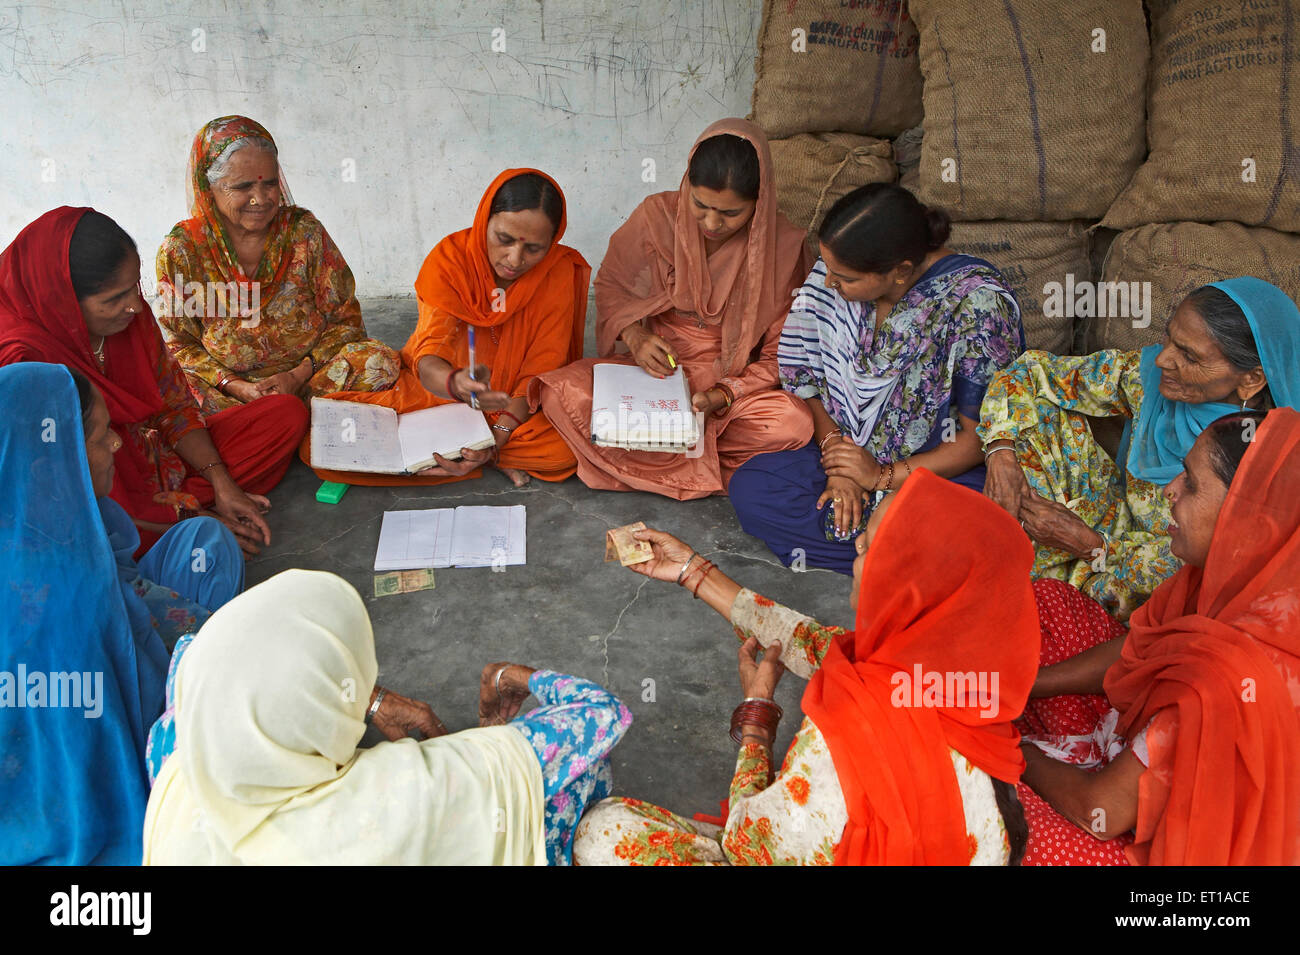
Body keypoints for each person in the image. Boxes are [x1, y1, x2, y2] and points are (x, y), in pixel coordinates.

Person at [572, 469, 1039, 865]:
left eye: (869, 549)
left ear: (908, 588)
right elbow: (815, 644)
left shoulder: (840, 745)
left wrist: (756, 716)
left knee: (603, 832)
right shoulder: (971, 687)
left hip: (784, 840)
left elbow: (744, 842)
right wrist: (692, 570)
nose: (855, 549)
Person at [142, 569, 632, 865]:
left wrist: (369, 700)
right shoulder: (417, 791)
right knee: (577, 775)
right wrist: (514, 675)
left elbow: (195, 653)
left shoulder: (175, 751)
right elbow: (599, 715)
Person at [1015, 408, 1300, 865]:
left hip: (1179, 842)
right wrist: (1028, 685)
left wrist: (1012, 751)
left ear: (1250, 528)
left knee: (994, 809)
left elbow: (1099, 811)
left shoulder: (1229, 680)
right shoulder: (1223, 580)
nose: (1169, 490)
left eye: (1189, 482)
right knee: (1048, 602)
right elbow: (1140, 649)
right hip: (1141, 764)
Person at [0, 362, 234, 865]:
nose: (117, 447)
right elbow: (117, 720)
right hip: (73, 802)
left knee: (203, 546)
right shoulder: (72, 593)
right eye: (102, 437)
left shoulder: (46, 512)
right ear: (52, 460)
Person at [729, 183, 1024, 573]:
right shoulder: (833, 272)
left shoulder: (978, 306)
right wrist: (840, 462)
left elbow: (977, 437)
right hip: (844, 448)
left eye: (845, 278)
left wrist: (878, 476)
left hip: (933, 469)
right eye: (827, 268)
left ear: (900, 271)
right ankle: (889, 553)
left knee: (956, 521)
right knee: (752, 488)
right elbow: (806, 379)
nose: (827, 283)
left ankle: (887, 548)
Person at [979, 277, 1298, 620]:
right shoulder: (1147, 380)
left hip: (1148, 583)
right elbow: (1029, 372)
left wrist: (1091, 545)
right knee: (1028, 418)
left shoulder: (1268, 461)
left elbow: (1210, 568)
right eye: (1168, 337)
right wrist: (1001, 454)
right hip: (1102, 518)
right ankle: (1035, 570)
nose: (1162, 359)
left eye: (1188, 355)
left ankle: (1040, 581)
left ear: (1251, 379)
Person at [531, 118, 814, 499]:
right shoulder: (656, 216)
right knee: (559, 393)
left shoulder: (785, 249)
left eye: (731, 214)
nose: (712, 223)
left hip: (727, 387)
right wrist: (635, 335)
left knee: (792, 422)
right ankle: (703, 466)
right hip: (653, 371)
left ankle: (642, 456)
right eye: (700, 205)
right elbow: (613, 285)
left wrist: (725, 394)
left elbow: (783, 354)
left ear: (759, 204)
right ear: (686, 185)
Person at [0, 207, 308, 555]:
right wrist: (192, 525)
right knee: (101, 530)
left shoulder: (131, 318)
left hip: (156, 459)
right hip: (98, 486)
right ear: (62, 300)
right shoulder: (21, 360)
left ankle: (187, 510)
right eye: (114, 298)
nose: (135, 306)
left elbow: (173, 403)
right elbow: (58, 484)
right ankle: (169, 524)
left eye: (135, 285)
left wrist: (222, 483)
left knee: (285, 415)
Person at [305, 169, 590, 488]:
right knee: (328, 438)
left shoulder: (558, 270)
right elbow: (429, 355)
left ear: (552, 242)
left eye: (534, 248)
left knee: (566, 450)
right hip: (441, 394)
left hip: (516, 405)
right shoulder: (450, 261)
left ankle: (475, 454)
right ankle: (471, 452)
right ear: (485, 221)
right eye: (504, 239)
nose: (514, 258)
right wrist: (454, 383)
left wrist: (499, 435)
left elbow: (541, 368)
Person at [156, 115, 399, 414]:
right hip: (229, 391)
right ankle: (295, 420)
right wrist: (236, 386)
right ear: (209, 189)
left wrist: (297, 376)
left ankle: (275, 422)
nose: (260, 199)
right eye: (243, 187)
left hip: (308, 379)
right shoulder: (183, 251)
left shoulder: (303, 232)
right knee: (173, 389)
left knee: (379, 361)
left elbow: (346, 322)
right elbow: (179, 345)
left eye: (269, 184)